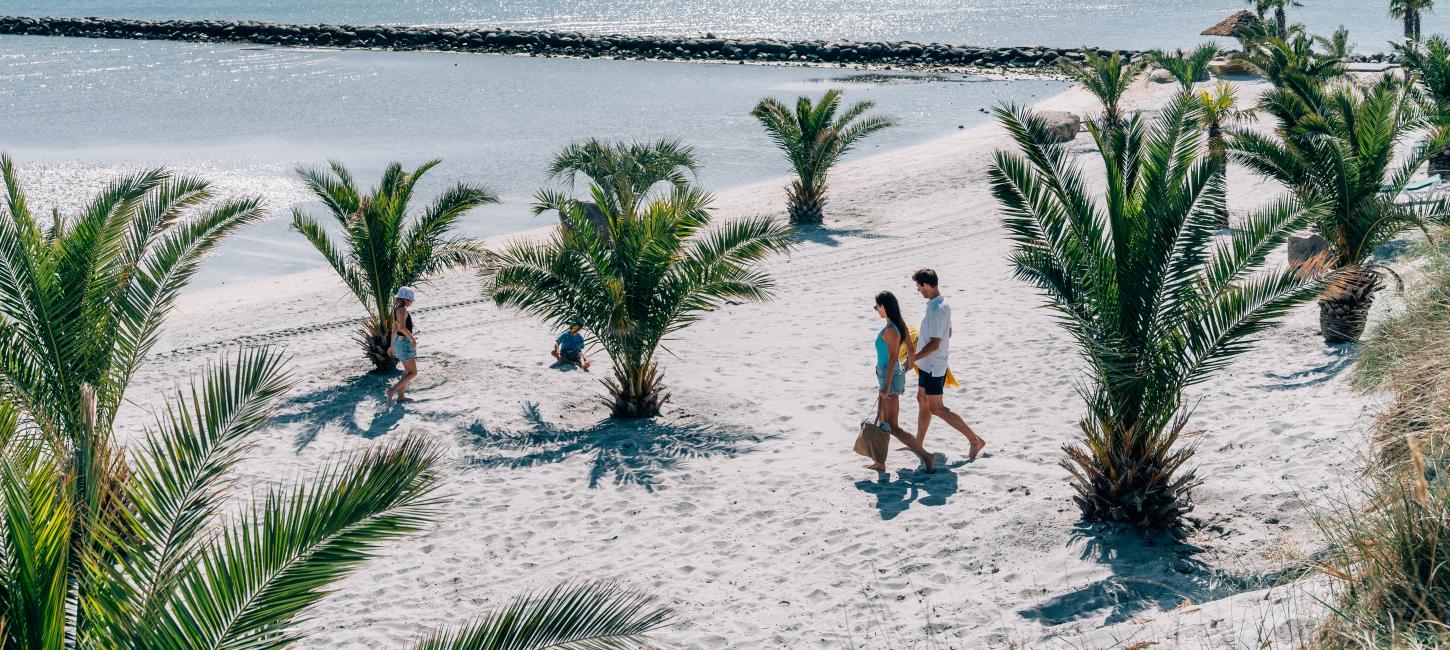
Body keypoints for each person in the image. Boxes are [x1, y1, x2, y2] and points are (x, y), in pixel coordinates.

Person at [903, 269, 986, 459]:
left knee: (936, 408)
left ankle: (975, 441)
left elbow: (936, 342)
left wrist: (913, 358)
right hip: (927, 364)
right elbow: (948, 333)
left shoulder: (937, 309)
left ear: (926, 285)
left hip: (934, 366)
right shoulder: (938, 304)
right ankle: (918, 444)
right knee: (922, 400)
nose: (918, 290)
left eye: (918, 286)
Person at [872, 291, 935, 473]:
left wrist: (886, 384)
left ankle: (926, 456)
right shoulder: (897, 324)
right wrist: (909, 363)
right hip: (888, 375)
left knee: (892, 425)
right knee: (883, 421)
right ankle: (880, 462)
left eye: (877, 307)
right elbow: (911, 347)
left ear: (883, 306)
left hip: (889, 376)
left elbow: (892, 359)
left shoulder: (891, 329)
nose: (876, 310)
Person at [385, 287, 419, 407]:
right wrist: (412, 338)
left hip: (399, 342)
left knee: (407, 371)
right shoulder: (403, 310)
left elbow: (394, 329)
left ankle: (401, 397)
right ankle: (392, 391)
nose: (411, 302)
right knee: (413, 372)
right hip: (404, 343)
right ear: (405, 299)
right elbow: (402, 328)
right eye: (410, 299)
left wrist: (392, 346)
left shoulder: (397, 310)